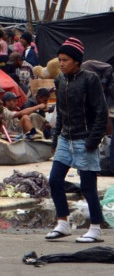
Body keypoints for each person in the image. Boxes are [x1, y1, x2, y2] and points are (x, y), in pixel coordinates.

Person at [46, 37, 108, 243]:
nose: (61, 63)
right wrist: (56, 137)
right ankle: (63, 223)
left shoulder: (90, 79)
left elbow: (101, 112)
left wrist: (93, 140)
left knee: (88, 186)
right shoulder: (60, 80)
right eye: (60, 59)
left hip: (85, 139)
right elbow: (61, 112)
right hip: (65, 138)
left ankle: (96, 228)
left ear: (76, 61)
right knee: (54, 181)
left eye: (65, 60)